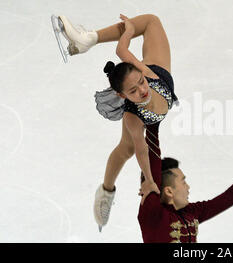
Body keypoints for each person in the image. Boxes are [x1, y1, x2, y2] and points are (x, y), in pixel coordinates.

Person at [53, 13, 178, 231]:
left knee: (151, 21)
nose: (141, 90)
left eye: (140, 82)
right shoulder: (132, 117)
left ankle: (88, 38)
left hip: (162, 80)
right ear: (122, 96)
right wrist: (148, 180)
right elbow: (142, 150)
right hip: (147, 116)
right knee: (125, 149)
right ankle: (106, 191)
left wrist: (129, 31)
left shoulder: (146, 75)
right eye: (133, 91)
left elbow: (121, 51)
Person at [139, 129, 233, 243]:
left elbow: (229, 197)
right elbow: (152, 166)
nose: (188, 187)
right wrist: (153, 123)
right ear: (169, 191)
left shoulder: (192, 212)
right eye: (183, 181)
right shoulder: (153, 214)